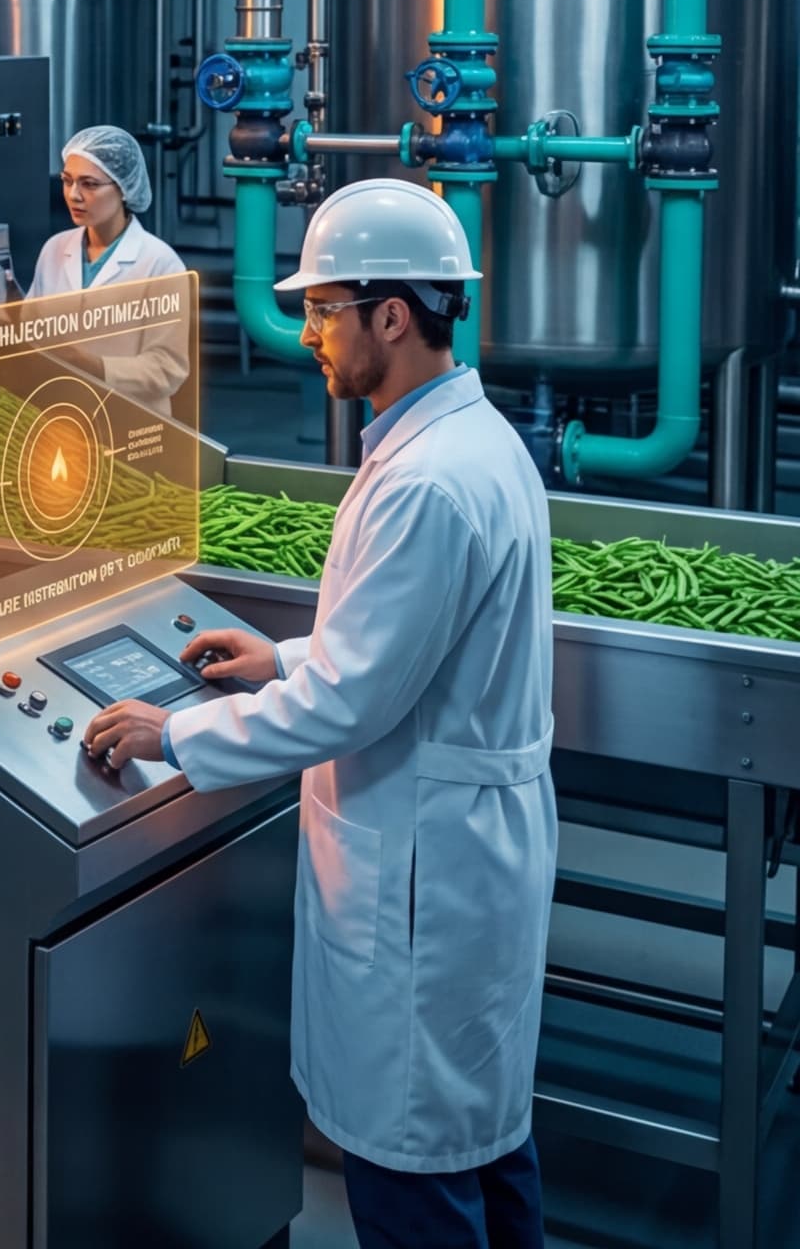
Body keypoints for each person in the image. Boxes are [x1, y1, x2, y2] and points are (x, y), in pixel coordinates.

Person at [80, 179, 556, 1249]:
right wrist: (277, 653)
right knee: (480, 1139)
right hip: (467, 856)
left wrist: (174, 734)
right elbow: (396, 646)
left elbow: (347, 700)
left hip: (420, 874)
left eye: (321, 308)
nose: (305, 334)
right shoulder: (474, 444)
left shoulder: (425, 480)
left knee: (409, 1163)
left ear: (391, 313)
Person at [26, 124, 188, 412]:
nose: (74, 195)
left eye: (89, 184)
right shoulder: (54, 249)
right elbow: (29, 334)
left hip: (130, 422)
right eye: (67, 180)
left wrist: (94, 366)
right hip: (59, 416)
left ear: (125, 188)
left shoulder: (160, 264)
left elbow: (167, 369)